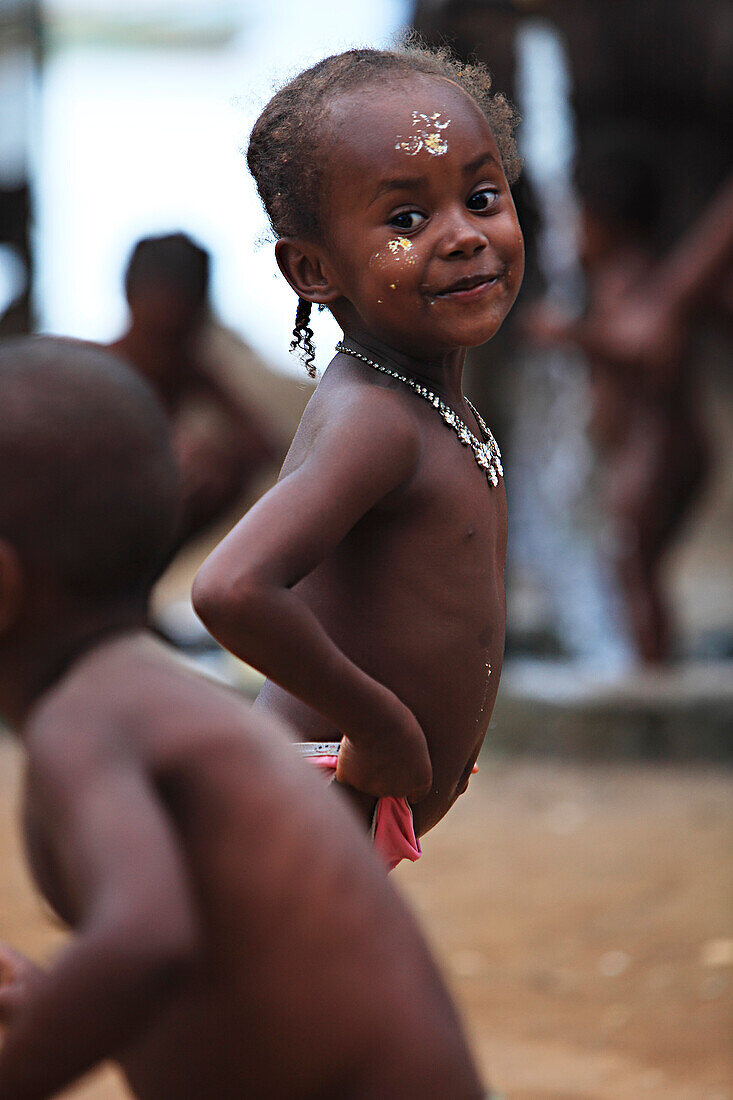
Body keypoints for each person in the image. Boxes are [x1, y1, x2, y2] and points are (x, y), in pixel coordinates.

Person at [0, 336, 486, 1099]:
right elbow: (207, 963)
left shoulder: (86, 726)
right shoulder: (146, 703)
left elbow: (142, 944)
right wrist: (49, 1000)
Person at [192, 44, 525, 870]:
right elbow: (230, 587)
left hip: (332, 817)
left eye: (481, 198)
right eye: (406, 221)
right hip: (305, 811)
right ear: (311, 268)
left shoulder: (423, 404)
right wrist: (379, 726)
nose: (462, 238)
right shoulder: (375, 422)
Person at [524, 135, 711, 661]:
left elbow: (649, 350)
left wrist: (571, 336)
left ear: (607, 222)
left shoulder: (631, 277)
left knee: (634, 567)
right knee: (630, 566)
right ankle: (643, 664)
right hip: (643, 449)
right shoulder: (612, 279)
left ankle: (653, 679)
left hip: (659, 448)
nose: (572, 236)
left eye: (579, 220)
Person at [110, 232, 281, 547]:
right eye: (159, 332)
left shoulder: (187, 371)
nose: (166, 349)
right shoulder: (97, 373)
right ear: (133, 298)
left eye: (179, 332)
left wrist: (208, 454)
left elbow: (267, 449)